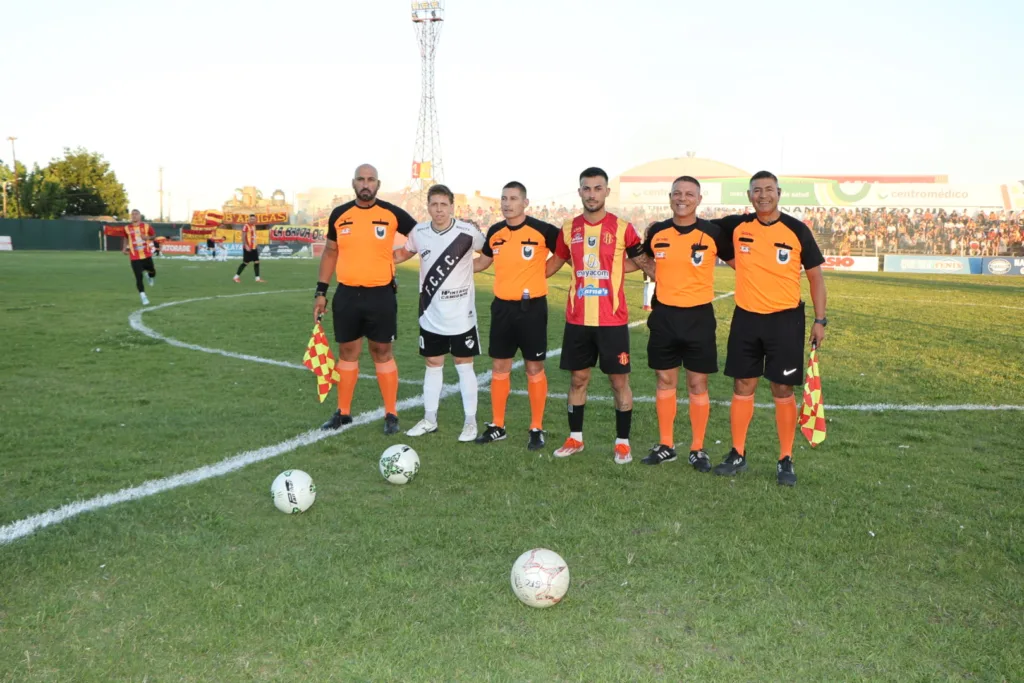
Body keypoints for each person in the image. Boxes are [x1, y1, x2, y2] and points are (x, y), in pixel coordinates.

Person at [711, 170, 827, 486]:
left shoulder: (797, 229)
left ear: (779, 193)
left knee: (783, 388)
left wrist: (820, 320)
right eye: (757, 190)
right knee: (742, 385)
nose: (763, 195)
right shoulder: (736, 226)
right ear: (749, 195)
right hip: (746, 318)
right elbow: (700, 229)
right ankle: (737, 453)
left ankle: (785, 458)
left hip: (785, 321)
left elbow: (816, 277)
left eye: (768, 189)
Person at [545, 167, 653, 464]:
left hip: (612, 321)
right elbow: (556, 261)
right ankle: (575, 438)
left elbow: (642, 261)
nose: (591, 194)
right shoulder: (569, 228)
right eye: (586, 188)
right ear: (579, 192)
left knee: (619, 382)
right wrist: (523, 281)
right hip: (577, 320)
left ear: (606, 191)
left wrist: (669, 281)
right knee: (578, 380)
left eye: (597, 188)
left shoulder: (622, 228)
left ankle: (623, 443)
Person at [314, 164, 417, 435]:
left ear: (378, 185)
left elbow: (420, 235)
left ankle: (391, 413)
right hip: (347, 294)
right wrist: (321, 292)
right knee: (348, 352)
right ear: (354, 183)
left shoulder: (391, 213)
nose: (365, 184)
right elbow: (330, 252)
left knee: (382, 351)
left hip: (381, 294)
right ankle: (343, 412)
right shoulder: (339, 214)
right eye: (361, 179)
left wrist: (400, 255)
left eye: (371, 180)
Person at [639, 176, 729, 471]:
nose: (682, 198)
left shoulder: (713, 233)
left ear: (699, 199)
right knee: (665, 380)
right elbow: (644, 260)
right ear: (670, 197)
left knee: (697, 383)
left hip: (698, 317)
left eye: (689, 194)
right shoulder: (657, 231)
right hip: (664, 316)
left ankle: (697, 448)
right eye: (677, 193)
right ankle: (666, 445)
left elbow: (741, 263)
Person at [472, 181, 561, 451]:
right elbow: (483, 261)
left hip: (532, 309)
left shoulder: (543, 230)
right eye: (504, 198)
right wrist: (452, 265)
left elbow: (563, 253)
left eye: (513, 198)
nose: (507, 204)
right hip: (502, 308)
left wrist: (541, 273)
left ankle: (536, 428)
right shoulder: (495, 231)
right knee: (500, 367)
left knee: (534, 368)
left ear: (525, 202)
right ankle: (498, 426)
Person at [393, 184, 485, 442]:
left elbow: (487, 256)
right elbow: (401, 254)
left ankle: (470, 422)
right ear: (428, 207)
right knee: (433, 365)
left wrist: (465, 270)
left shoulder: (468, 232)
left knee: (464, 366)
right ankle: (429, 419)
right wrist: (375, 259)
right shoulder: (419, 232)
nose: (439, 209)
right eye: (434, 204)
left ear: (452, 207)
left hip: (461, 314)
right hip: (430, 314)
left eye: (444, 204)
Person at [122, 209, 156, 306]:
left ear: (140, 216)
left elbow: (154, 235)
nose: (134, 216)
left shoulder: (146, 226)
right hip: (134, 257)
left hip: (146, 255)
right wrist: (124, 248)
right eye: (132, 214)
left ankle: (149, 276)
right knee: (138, 277)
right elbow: (125, 238)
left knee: (153, 272)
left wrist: (147, 238)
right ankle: (143, 296)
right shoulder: (126, 228)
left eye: (136, 214)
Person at [233, 214, 264, 283]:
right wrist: (246, 245)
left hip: (254, 247)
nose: (252, 220)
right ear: (249, 219)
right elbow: (243, 236)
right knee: (245, 263)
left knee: (257, 262)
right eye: (251, 219)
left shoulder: (254, 226)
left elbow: (253, 236)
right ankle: (236, 277)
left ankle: (257, 278)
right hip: (248, 247)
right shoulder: (246, 226)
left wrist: (255, 243)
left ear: (255, 220)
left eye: (254, 219)